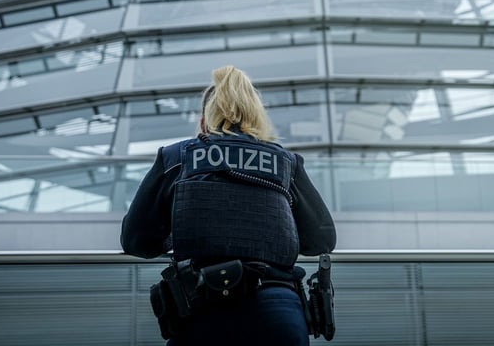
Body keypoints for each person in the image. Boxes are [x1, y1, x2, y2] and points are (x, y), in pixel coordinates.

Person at [121, 65, 337, 345]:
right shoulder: (286, 162)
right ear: (257, 117)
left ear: (203, 122)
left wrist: (182, 231)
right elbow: (321, 240)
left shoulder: (177, 156)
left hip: (201, 309)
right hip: (277, 310)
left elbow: (136, 241)